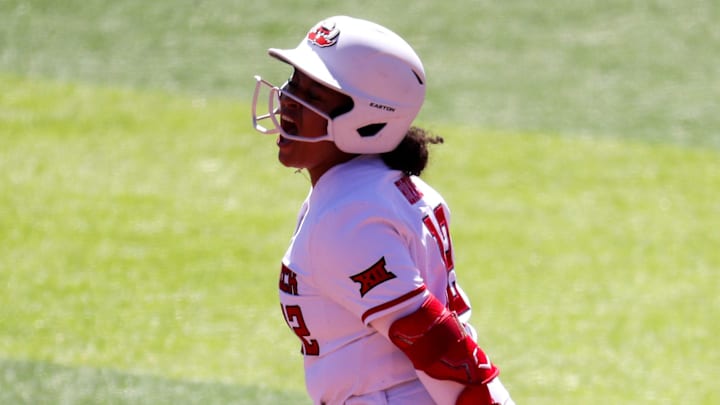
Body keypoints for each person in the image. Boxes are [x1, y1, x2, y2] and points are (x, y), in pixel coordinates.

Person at [251, 15, 514, 405]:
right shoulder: (379, 188)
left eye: (313, 95)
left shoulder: (350, 213)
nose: (288, 100)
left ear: (369, 119)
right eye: (294, 82)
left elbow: (431, 340)